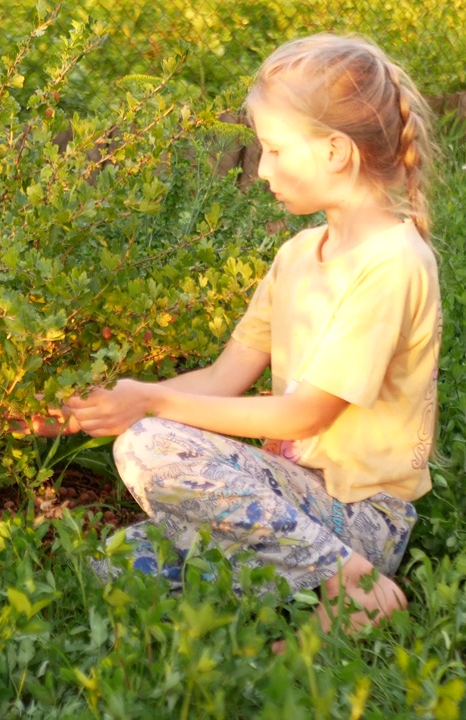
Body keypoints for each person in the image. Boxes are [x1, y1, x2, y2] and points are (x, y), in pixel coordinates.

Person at [39, 33, 441, 637]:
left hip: (360, 516)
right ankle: (296, 582)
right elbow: (223, 379)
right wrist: (95, 409)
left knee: (147, 446)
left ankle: (355, 586)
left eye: (275, 150)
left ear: (335, 150)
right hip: (294, 497)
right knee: (117, 566)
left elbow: (305, 415)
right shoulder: (301, 253)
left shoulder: (394, 262)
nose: (262, 167)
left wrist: (147, 406)